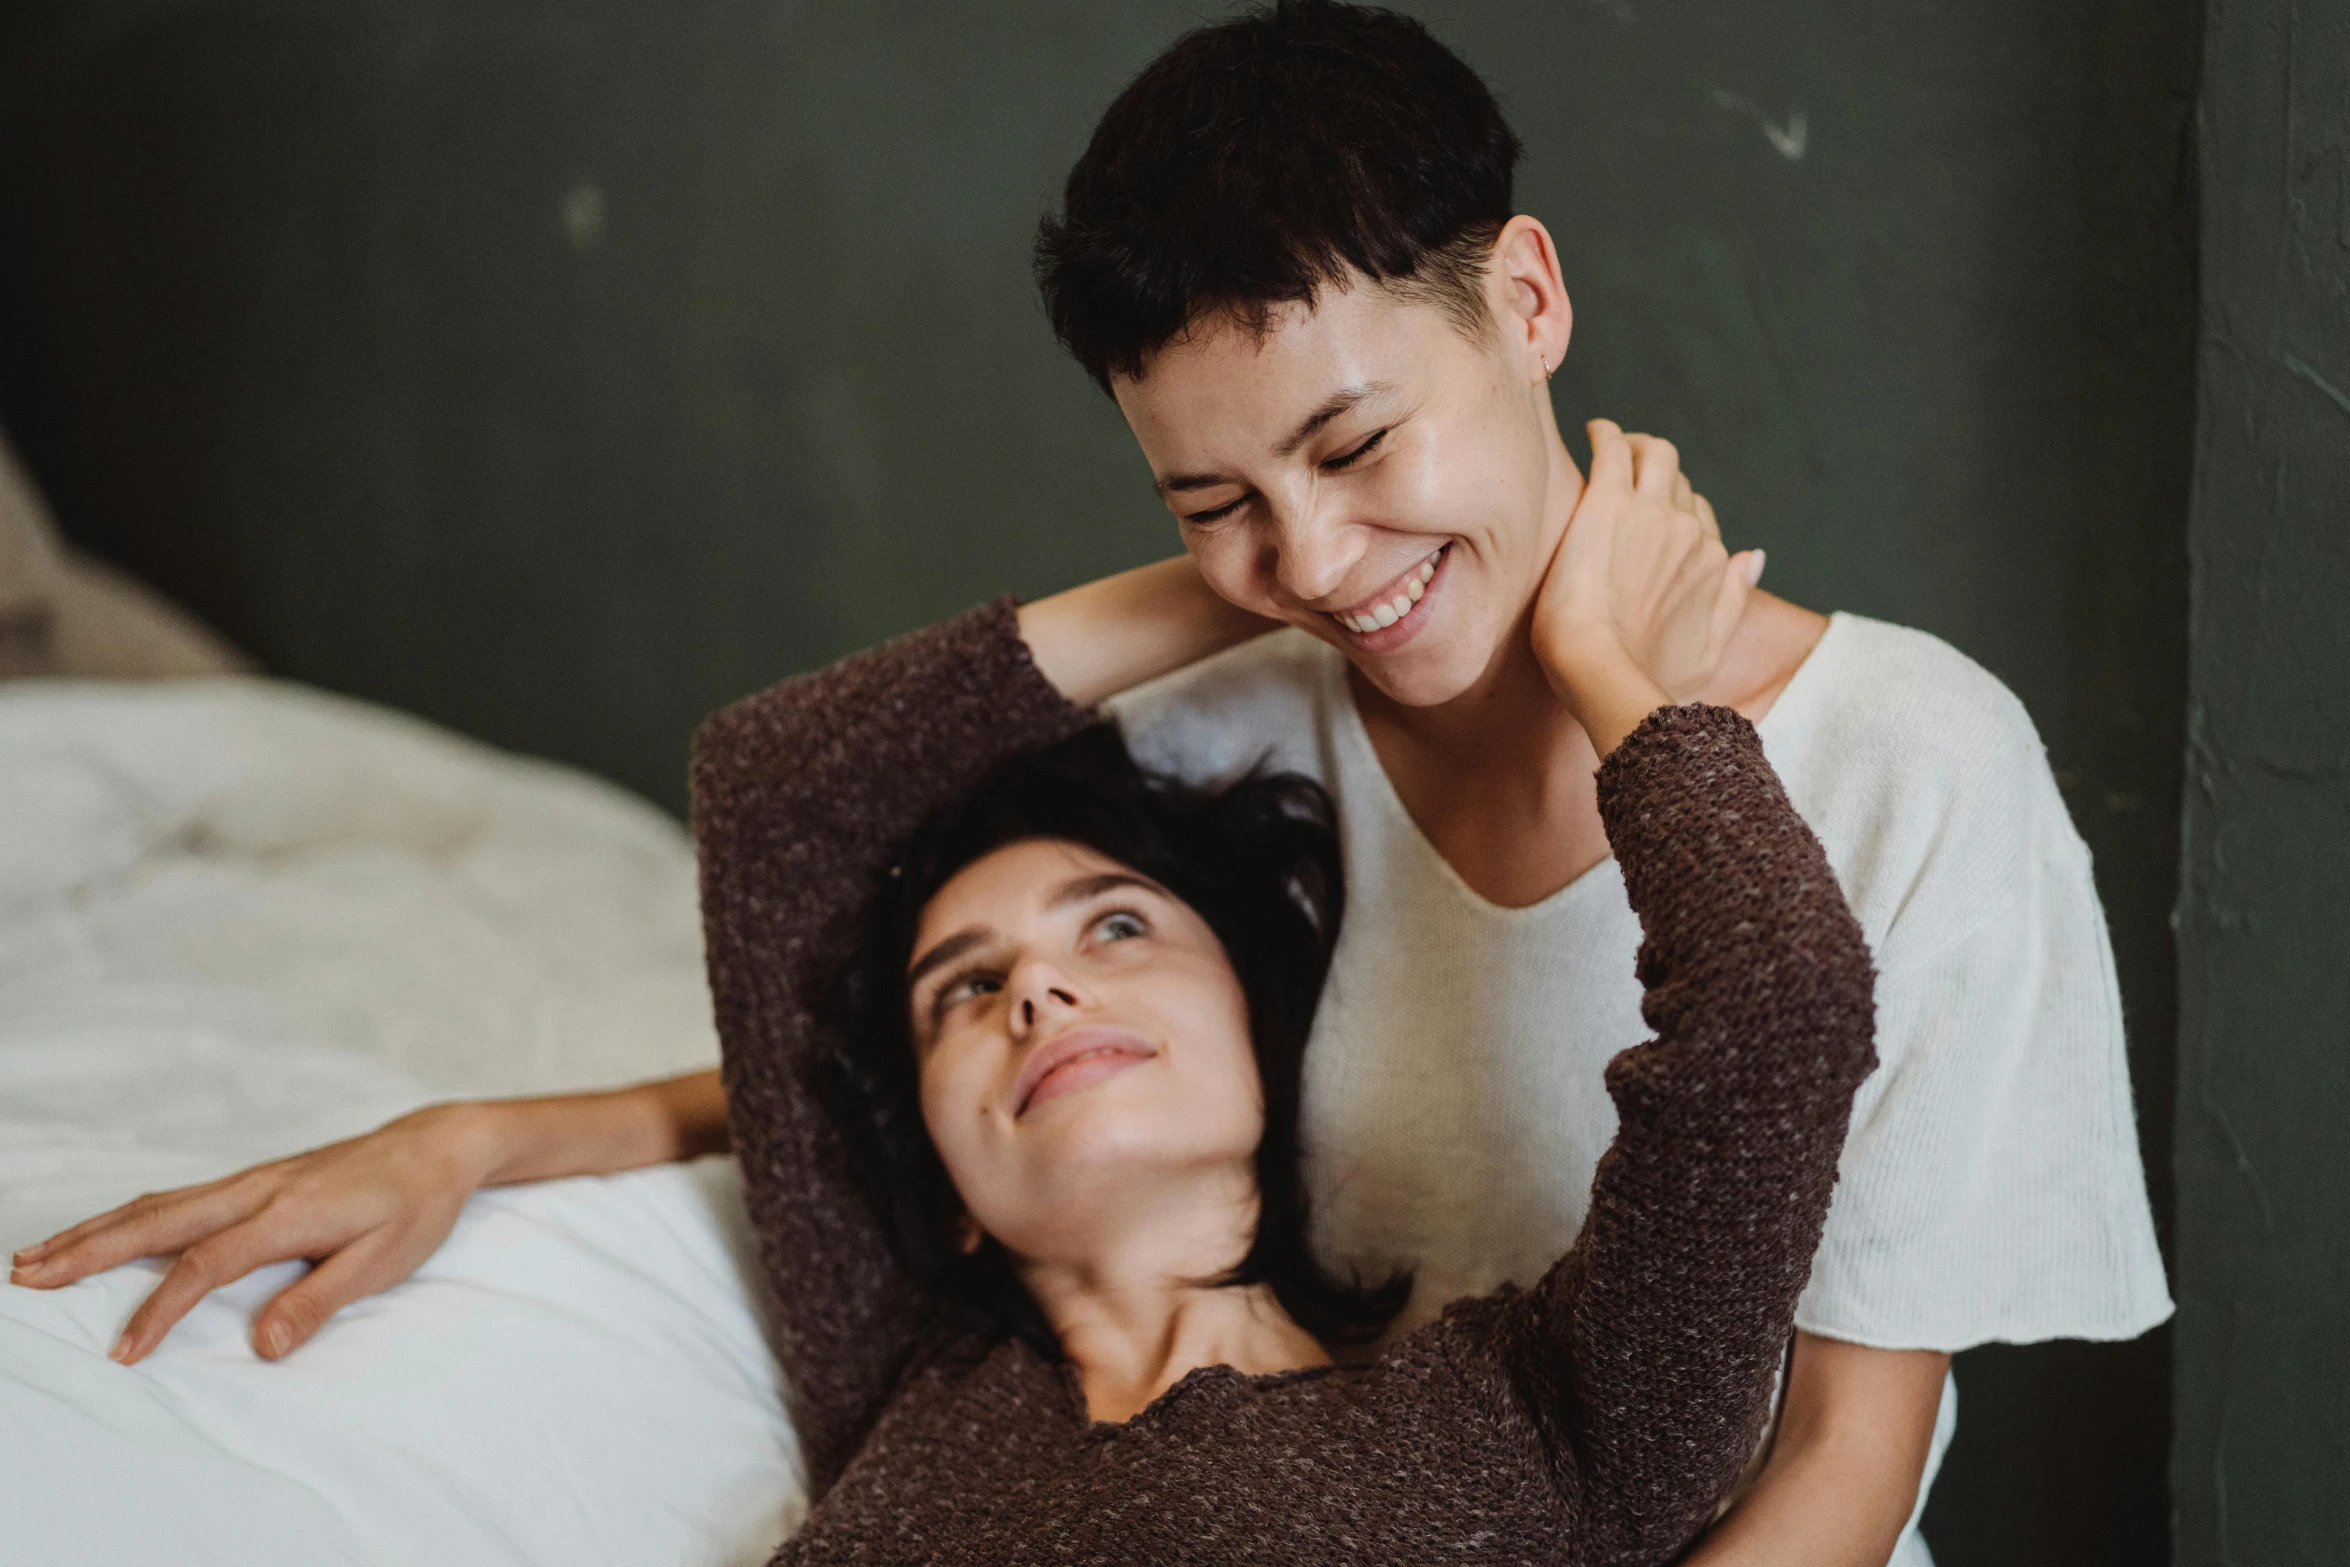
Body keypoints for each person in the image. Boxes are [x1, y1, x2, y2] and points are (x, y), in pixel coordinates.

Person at [13, 4, 2169, 1562]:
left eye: (1350, 443)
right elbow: (864, 892)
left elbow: (1835, 1463)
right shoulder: (1243, 733)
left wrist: (1616, 685)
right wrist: (491, 1135)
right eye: (1205, 498)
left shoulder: (1906, 765)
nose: (1308, 559)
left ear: (1523, 298)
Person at [690, 552, 1879, 1562]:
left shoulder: (1531, 1429)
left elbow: (1778, 1005)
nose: (1040, 989)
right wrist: (1288, 577)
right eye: (965, 987)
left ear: (1256, 1039)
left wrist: (1602, 665)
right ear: (948, 1190)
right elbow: (772, 797)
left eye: (1115, 925)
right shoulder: (901, 1374)